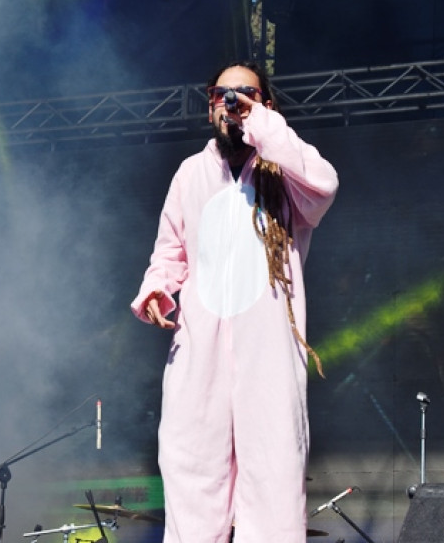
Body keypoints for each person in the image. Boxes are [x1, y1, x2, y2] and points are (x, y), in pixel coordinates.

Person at [130, 61, 339, 543]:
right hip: (198, 353)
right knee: (190, 471)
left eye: (245, 94)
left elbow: (325, 186)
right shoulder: (190, 174)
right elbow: (169, 251)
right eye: (222, 96)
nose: (232, 104)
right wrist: (157, 290)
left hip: (266, 354)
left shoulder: (285, 172)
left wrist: (261, 125)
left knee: (273, 478)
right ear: (209, 109)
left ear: (266, 106)